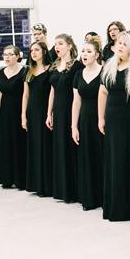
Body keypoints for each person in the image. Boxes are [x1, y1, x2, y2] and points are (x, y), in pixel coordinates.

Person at [98, 32, 130, 223]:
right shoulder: (110, 66)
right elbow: (102, 92)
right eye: (118, 43)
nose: (119, 46)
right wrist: (100, 118)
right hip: (112, 121)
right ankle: (117, 206)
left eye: (124, 44)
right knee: (115, 161)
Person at [71, 37, 105, 211]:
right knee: (87, 156)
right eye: (83, 51)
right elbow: (76, 102)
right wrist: (74, 126)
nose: (85, 54)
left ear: (97, 55)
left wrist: (103, 119)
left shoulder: (104, 72)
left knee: (102, 156)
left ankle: (104, 196)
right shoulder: (78, 74)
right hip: (84, 118)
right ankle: (90, 197)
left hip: (101, 119)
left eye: (89, 51)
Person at [48, 34, 80, 203]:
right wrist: (49, 113)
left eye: (60, 43)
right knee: (59, 147)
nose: (57, 47)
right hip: (58, 112)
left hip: (71, 109)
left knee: (70, 148)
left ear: (69, 46)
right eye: (55, 44)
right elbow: (52, 90)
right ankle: (62, 189)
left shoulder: (76, 65)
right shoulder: (54, 66)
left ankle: (74, 190)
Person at [21, 40, 54, 197]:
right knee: (34, 145)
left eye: (37, 50)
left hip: (45, 111)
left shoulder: (51, 69)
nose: (33, 53)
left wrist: (50, 112)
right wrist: (23, 115)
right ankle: (36, 183)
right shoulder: (28, 71)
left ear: (44, 52)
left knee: (46, 145)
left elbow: (53, 93)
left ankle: (47, 184)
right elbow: (25, 95)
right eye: (31, 50)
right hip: (32, 112)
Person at [0, 45, 27, 190]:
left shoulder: (24, 70)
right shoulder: (1, 72)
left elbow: (27, 94)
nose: (6, 57)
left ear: (17, 56)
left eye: (10, 54)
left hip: (18, 110)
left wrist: (23, 115)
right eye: (4, 54)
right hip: (5, 112)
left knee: (19, 143)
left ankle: (21, 179)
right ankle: (7, 178)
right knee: (6, 143)